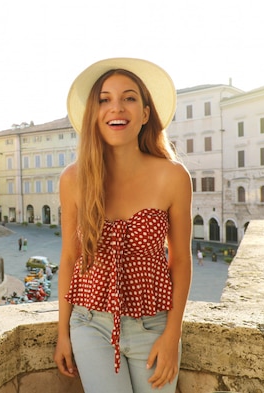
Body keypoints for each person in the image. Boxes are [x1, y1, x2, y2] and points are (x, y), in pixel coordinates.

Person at [53, 58, 193, 393]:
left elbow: (182, 261)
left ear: (145, 113)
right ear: (94, 113)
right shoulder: (73, 179)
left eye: (129, 98)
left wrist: (173, 335)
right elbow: (69, 259)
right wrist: (63, 334)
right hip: (89, 324)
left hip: (154, 324)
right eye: (105, 99)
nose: (117, 107)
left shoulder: (173, 176)